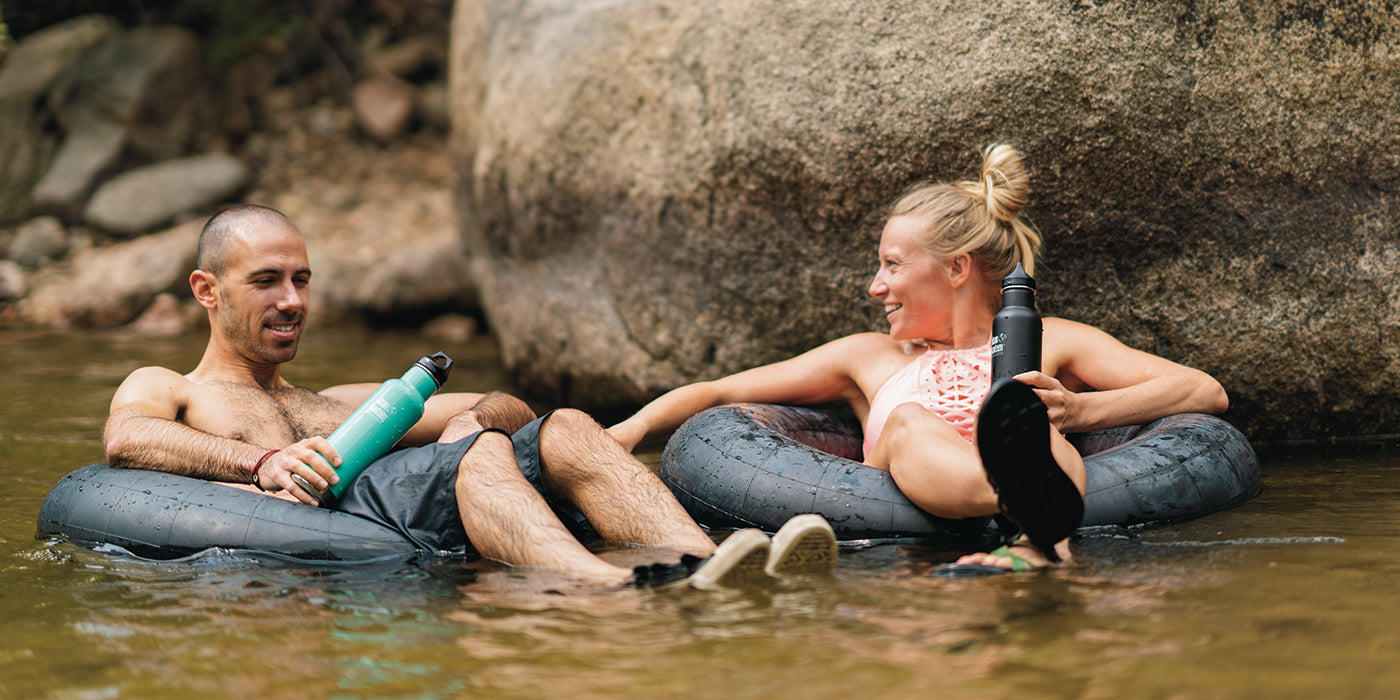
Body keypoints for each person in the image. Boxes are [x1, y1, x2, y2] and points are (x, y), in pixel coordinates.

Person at [102, 204, 837, 589]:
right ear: (207, 289)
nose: (293, 299)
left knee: (567, 425)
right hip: (322, 538)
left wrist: (475, 422)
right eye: (267, 281)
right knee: (482, 454)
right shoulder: (172, 387)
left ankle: (714, 564)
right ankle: (612, 588)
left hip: (400, 502)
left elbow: (504, 404)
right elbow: (129, 439)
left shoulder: (341, 402)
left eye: (301, 280)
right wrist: (261, 461)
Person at [609, 144, 1229, 573]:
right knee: (909, 422)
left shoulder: (1047, 339)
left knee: (1031, 419)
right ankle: (1023, 501)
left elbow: (1202, 391)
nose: (876, 286)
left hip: (1036, 502)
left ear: (956, 268)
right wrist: (632, 428)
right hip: (936, 512)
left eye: (893, 265)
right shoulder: (871, 359)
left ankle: (1043, 544)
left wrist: (1079, 410)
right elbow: (721, 391)